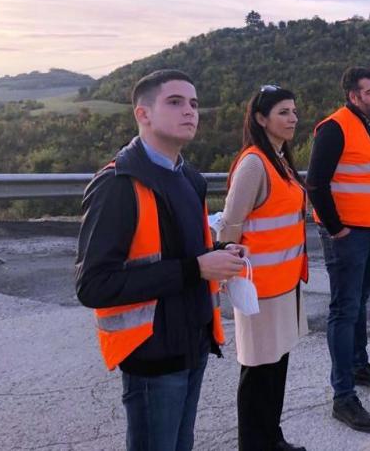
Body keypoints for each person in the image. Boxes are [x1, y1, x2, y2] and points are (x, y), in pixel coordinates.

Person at [75, 69, 247, 451]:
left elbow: (182, 254)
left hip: (193, 343)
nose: (190, 111)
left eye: (194, 103)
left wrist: (218, 255)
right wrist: (197, 269)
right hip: (152, 356)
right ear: (143, 114)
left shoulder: (188, 177)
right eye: (175, 102)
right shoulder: (118, 184)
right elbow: (93, 285)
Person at [306, 67, 370, 432]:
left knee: (360, 301)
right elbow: (315, 185)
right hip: (347, 236)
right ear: (352, 95)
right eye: (369, 92)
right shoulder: (333, 128)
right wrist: (337, 229)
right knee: (344, 309)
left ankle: (359, 366)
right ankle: (343, 397)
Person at [217, 86, 308, 451]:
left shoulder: (280, 159)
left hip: (284, 284)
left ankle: (272, 438)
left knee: (276, 366)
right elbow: (230, 223)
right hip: (259, 289)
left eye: (294, 111)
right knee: (258, 372)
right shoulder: (255, 162)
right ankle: (255, 444)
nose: (292, 118)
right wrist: (229, 274)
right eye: (284, 112)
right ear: (260, 118)